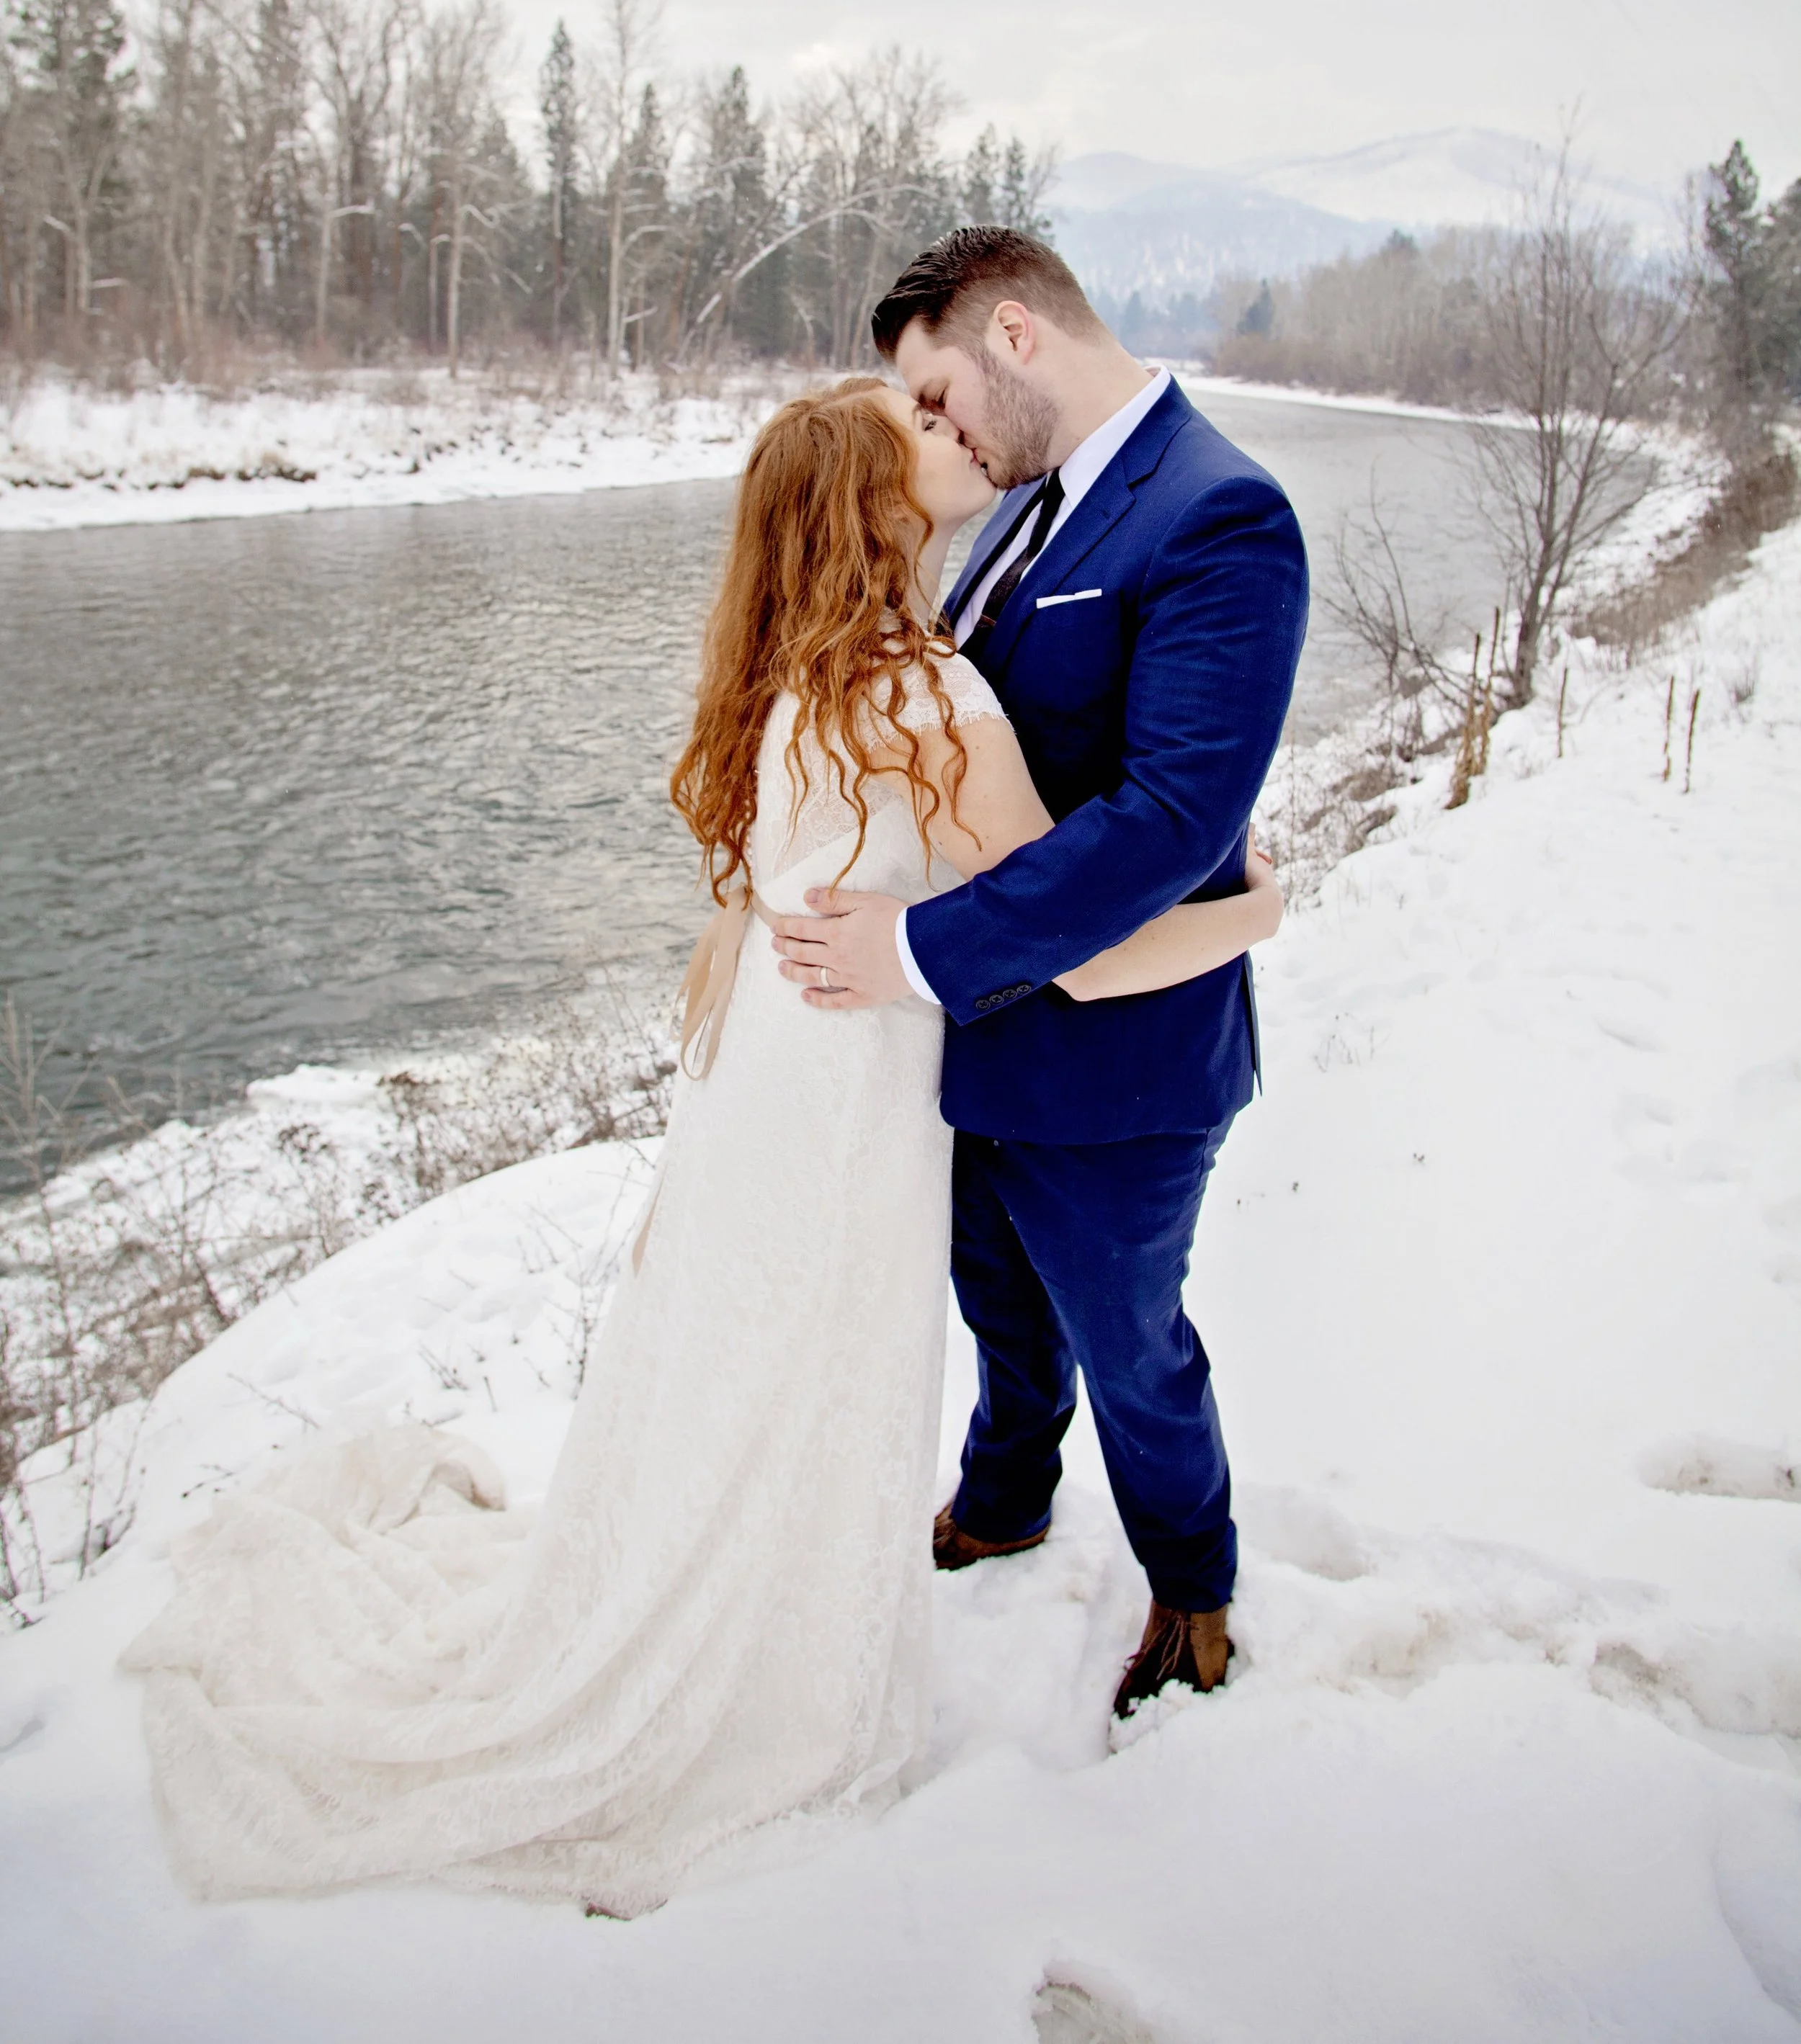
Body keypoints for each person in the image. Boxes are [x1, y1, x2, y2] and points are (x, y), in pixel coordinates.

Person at [122, 375, 1282, 1916]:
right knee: (815, 1378)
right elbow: (1077, 943)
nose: (956, 434)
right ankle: (754, 1670)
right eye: (922, 436)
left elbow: (731, 936)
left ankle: (734, 1590)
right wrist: (1258, 905)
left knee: (743, 1373)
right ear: (876, 509)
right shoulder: (932, 698)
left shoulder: (787, 679)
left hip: (764, 1095)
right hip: (848, 1103)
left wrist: (695, 1153)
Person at [770, 228, 1308, 1715]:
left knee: (1129, 1346)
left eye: (936, 392)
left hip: (1118, 1057)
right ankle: (1004, 1495)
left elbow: (1168, 818)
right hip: (973, 1038)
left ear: (1013, 334)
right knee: (1001, 1315)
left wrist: (917, 949)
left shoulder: (1217, 515)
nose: (933, 429)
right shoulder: (1024, 510)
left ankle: (1191, 1588)